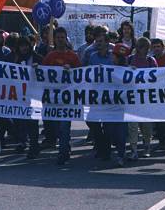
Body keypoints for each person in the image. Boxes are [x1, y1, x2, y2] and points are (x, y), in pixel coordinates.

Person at [42, 26, 80, 165]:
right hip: (53, 100)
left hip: (68, 99)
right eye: (58, 38)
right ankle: (65, 147)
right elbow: (42, 74)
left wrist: (72, 70)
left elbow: (80, 74)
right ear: (55, 39)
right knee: (57, 127)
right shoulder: (50, 56)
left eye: (62, 37)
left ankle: (63, 152)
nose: (60, 40)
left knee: (65, 127)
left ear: (66, 38)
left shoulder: (73, 56)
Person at [12, 35, 43, 159]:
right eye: (21, 46)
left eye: (25, 45)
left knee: (32, 122)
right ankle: (24, 142)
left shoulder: (38, 58)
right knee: (22, 121)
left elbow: (46, 73)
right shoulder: (17, 60)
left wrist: (39, 68)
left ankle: (34, 146)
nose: (23, 48)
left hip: (35, 95)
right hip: (22, 95)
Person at [86, 26, 115, 160]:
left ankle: (105, 150)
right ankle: (101, 145)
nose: (98, 44)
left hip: (109, 95)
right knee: (92, 121)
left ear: (107, 43)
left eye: (100, 41)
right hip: (95, 95)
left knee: (108, 124)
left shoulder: (112, 57)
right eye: (96, 41)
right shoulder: (92, 56)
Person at [127, 37, 157, 160]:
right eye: (142, 47)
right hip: (132, 97)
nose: (144, 50)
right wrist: (129, 70)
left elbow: (158, 77)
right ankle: (133, 149)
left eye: (146, 47)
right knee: (132, 125)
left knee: (146, 125)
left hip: (146, 97)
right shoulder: (130, 59)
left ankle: (147, 146)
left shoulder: (151, 61)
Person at [107, 42, 132, 166]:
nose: (113, 58)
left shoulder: (129, 70)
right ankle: (118, 150)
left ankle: (121, 154)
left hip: (122, 107)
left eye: (115, 56)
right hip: (111, 106)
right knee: (111, 130)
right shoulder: (109, 70)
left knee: (121, 132)